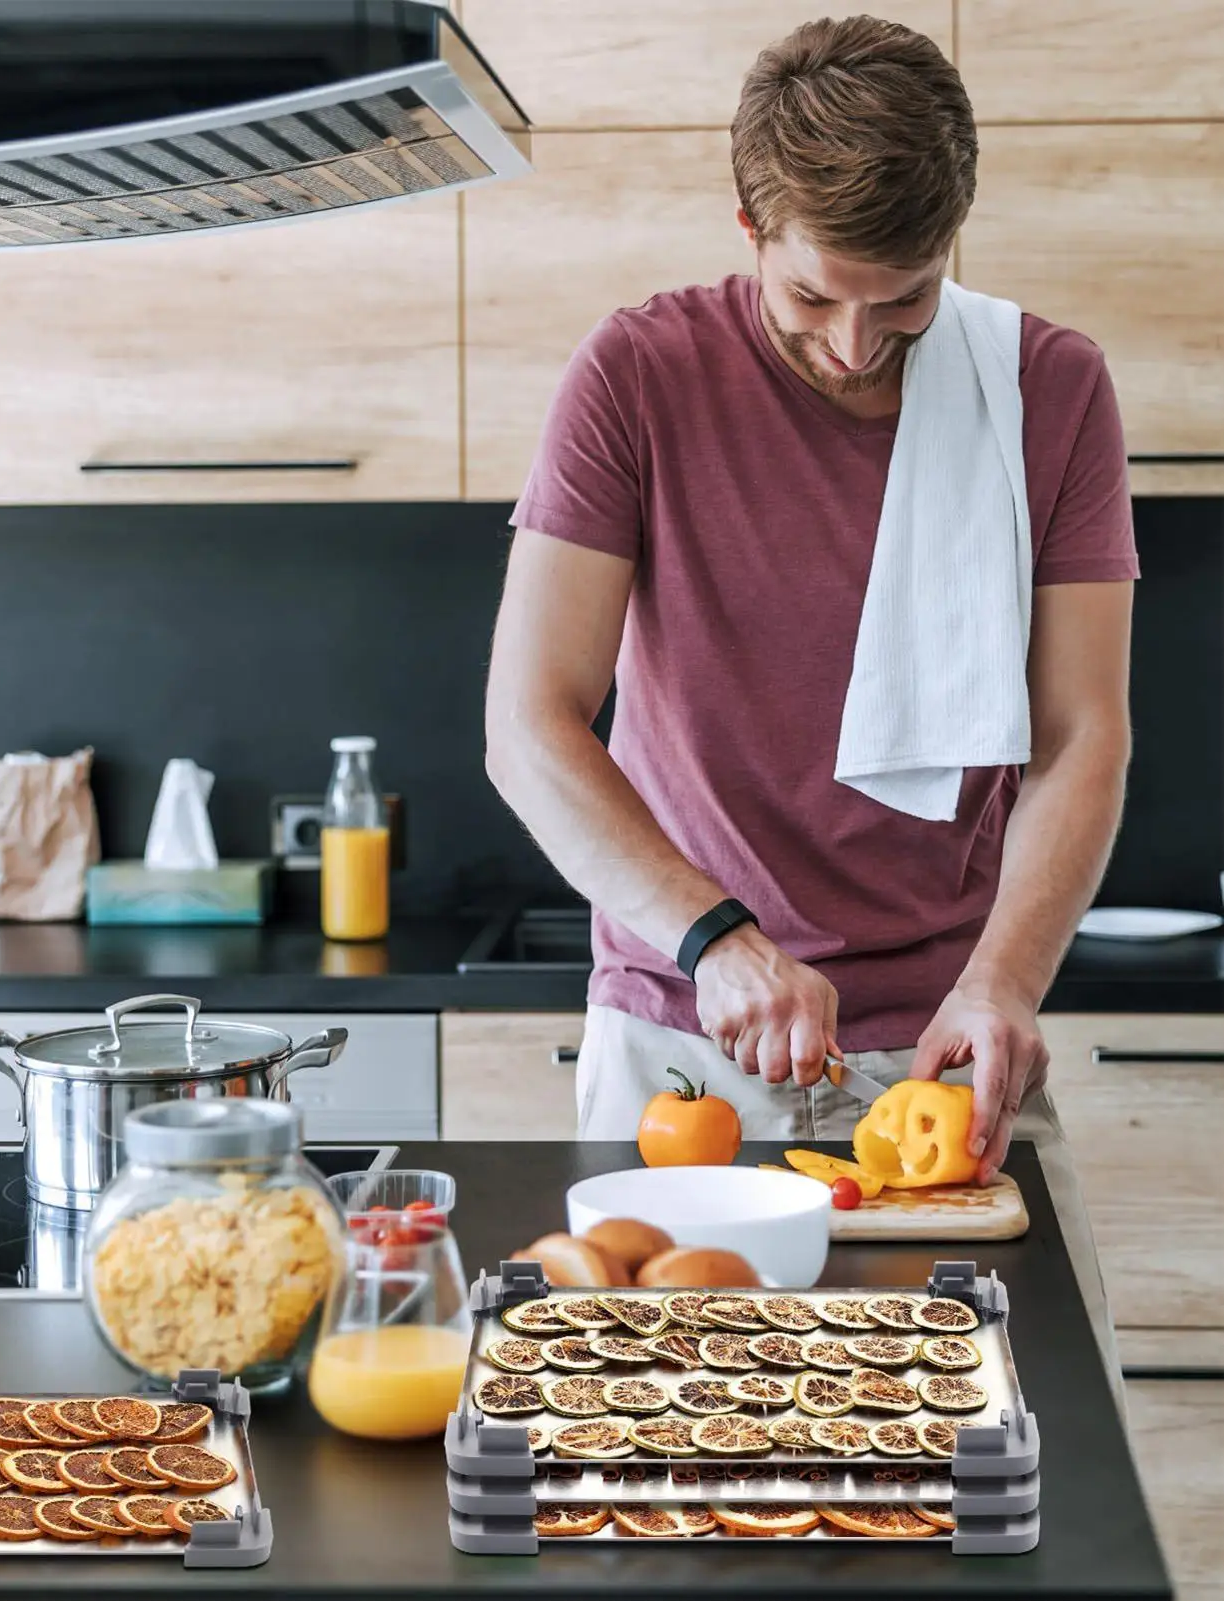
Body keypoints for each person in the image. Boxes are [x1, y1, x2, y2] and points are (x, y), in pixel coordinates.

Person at [484, 16, 1136, 1383]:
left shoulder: (1051, 391)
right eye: (811, 301)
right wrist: (717, 938)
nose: (854, 348)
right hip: (686, 1045)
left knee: (982, 1457)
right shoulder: (637, 377)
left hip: (953, 1055)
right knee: (659, 1439)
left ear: (954, 239)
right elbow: (532, 724)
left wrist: (1006, 984)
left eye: (903, 304)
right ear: (749, 227)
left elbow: (1081, 732)